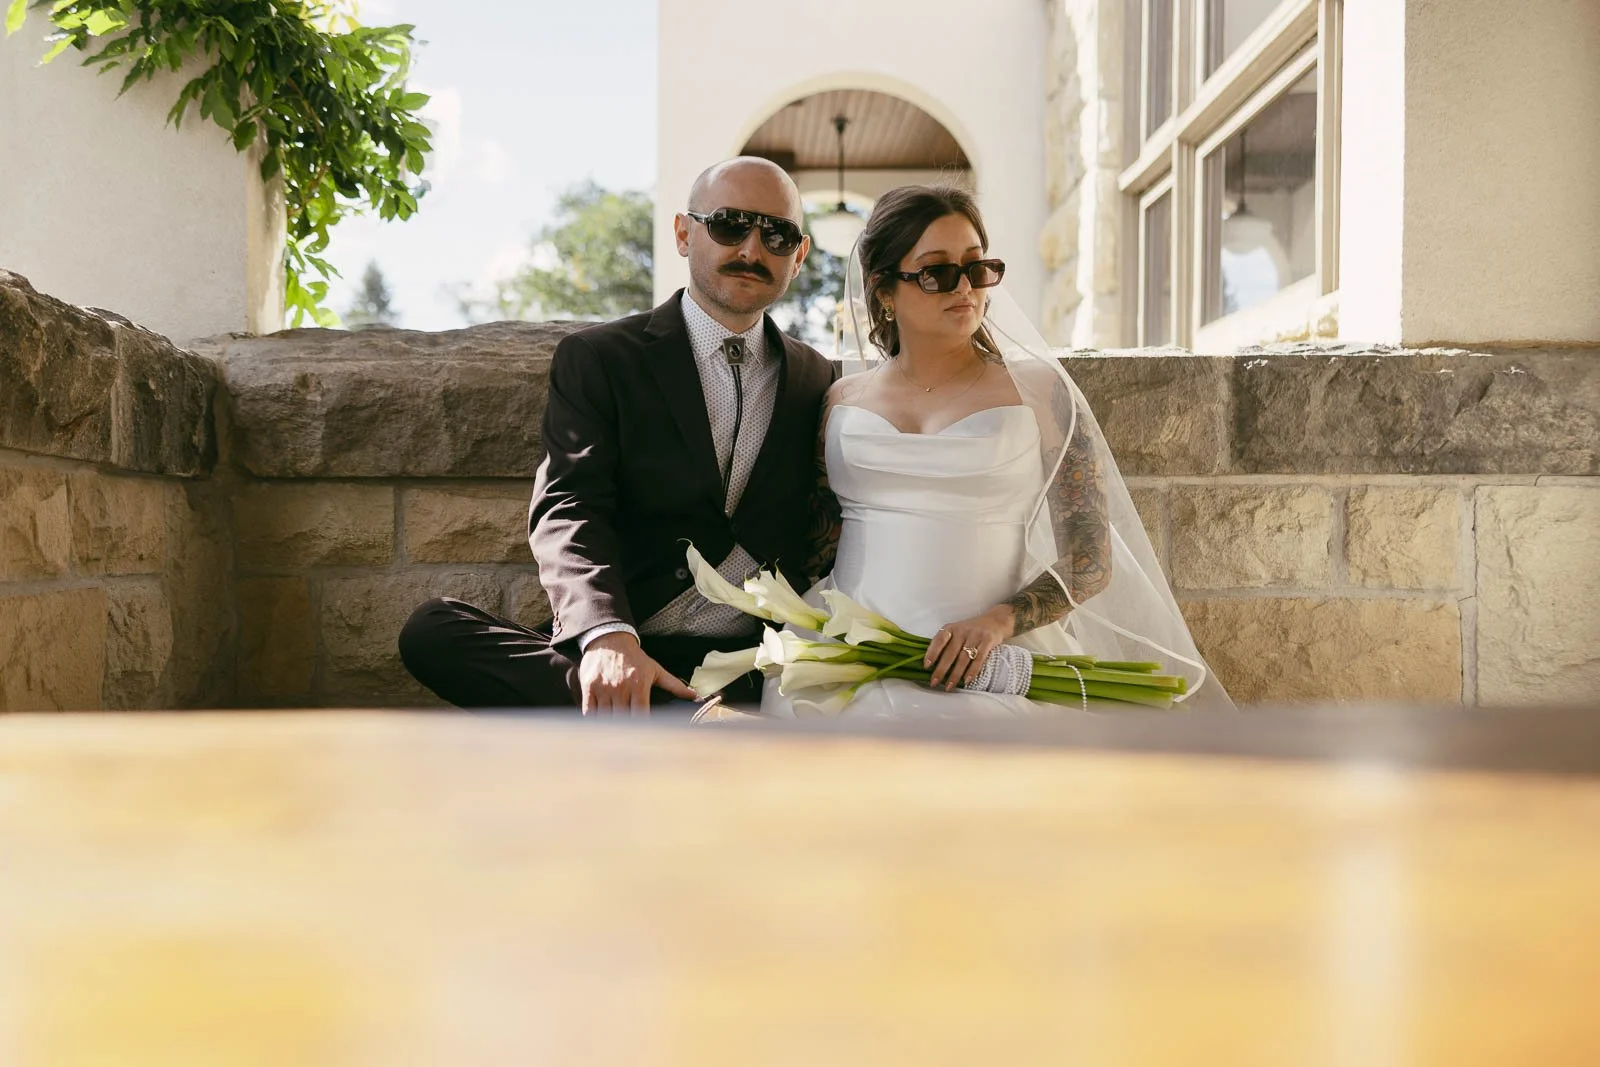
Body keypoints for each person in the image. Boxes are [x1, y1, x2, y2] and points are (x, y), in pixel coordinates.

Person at [759, 185, 1231, 718]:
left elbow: (1091, 559)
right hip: (851, 652)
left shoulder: (1037, 392)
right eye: (937, 271)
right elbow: (818, 543)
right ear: (884, 289)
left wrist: (999, 622)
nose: (965, 288)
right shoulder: (841, 401)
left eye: (977, 268)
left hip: (995, 658)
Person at [399, 157, 838, 715]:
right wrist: (606, 635)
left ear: (798, 256)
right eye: (730, 224)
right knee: (432, 631)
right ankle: (680, 717)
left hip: (751, 662)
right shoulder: (601, 359)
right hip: (628, 641)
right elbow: (569, 504)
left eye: (777, 234)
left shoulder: (816, 379)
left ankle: (654, 717)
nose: (752, 250)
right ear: (685, 233)